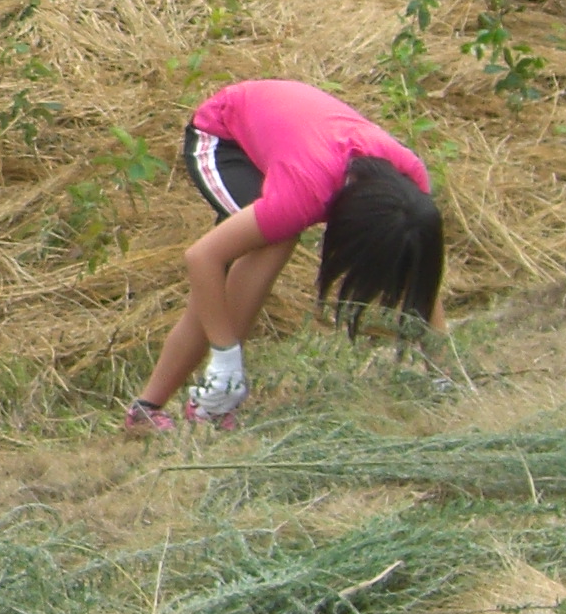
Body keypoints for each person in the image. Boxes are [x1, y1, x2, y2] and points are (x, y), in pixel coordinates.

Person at [126, 81, 445, 435]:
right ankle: (209, 398)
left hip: (291, 141)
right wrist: (225, 357)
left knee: (259, 254)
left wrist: (447, 374)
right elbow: (201, 258)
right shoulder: (304, 193)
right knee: (271, 244)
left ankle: (155, 408)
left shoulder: (409, 181)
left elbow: (418, 268)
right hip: (226, 137)